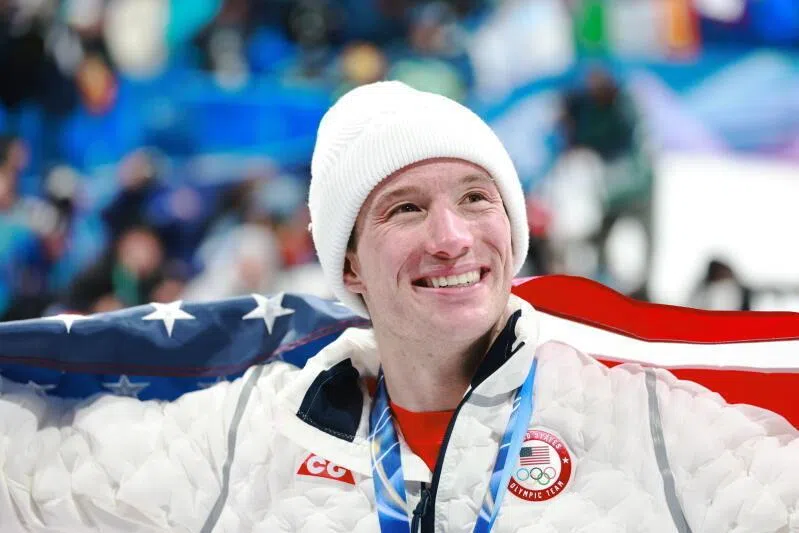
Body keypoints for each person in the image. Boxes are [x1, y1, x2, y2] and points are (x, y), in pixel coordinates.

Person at [0, 81, 797, 533]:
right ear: (348, 260)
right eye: (406, 208)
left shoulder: (642, 417)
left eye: (476, 197)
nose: (451, 238)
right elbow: (33, 481)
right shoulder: (253, 426)